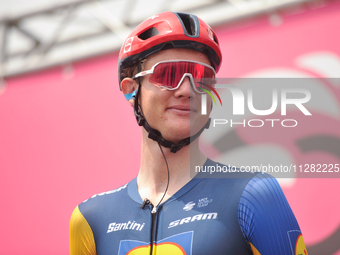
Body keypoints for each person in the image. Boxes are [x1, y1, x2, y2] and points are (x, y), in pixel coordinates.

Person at [70, 12, 308, 255]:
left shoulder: (254, 195)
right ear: (132, 91)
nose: (187, 89)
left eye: (202, 78)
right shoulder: (90, 219)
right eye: (168, 75)